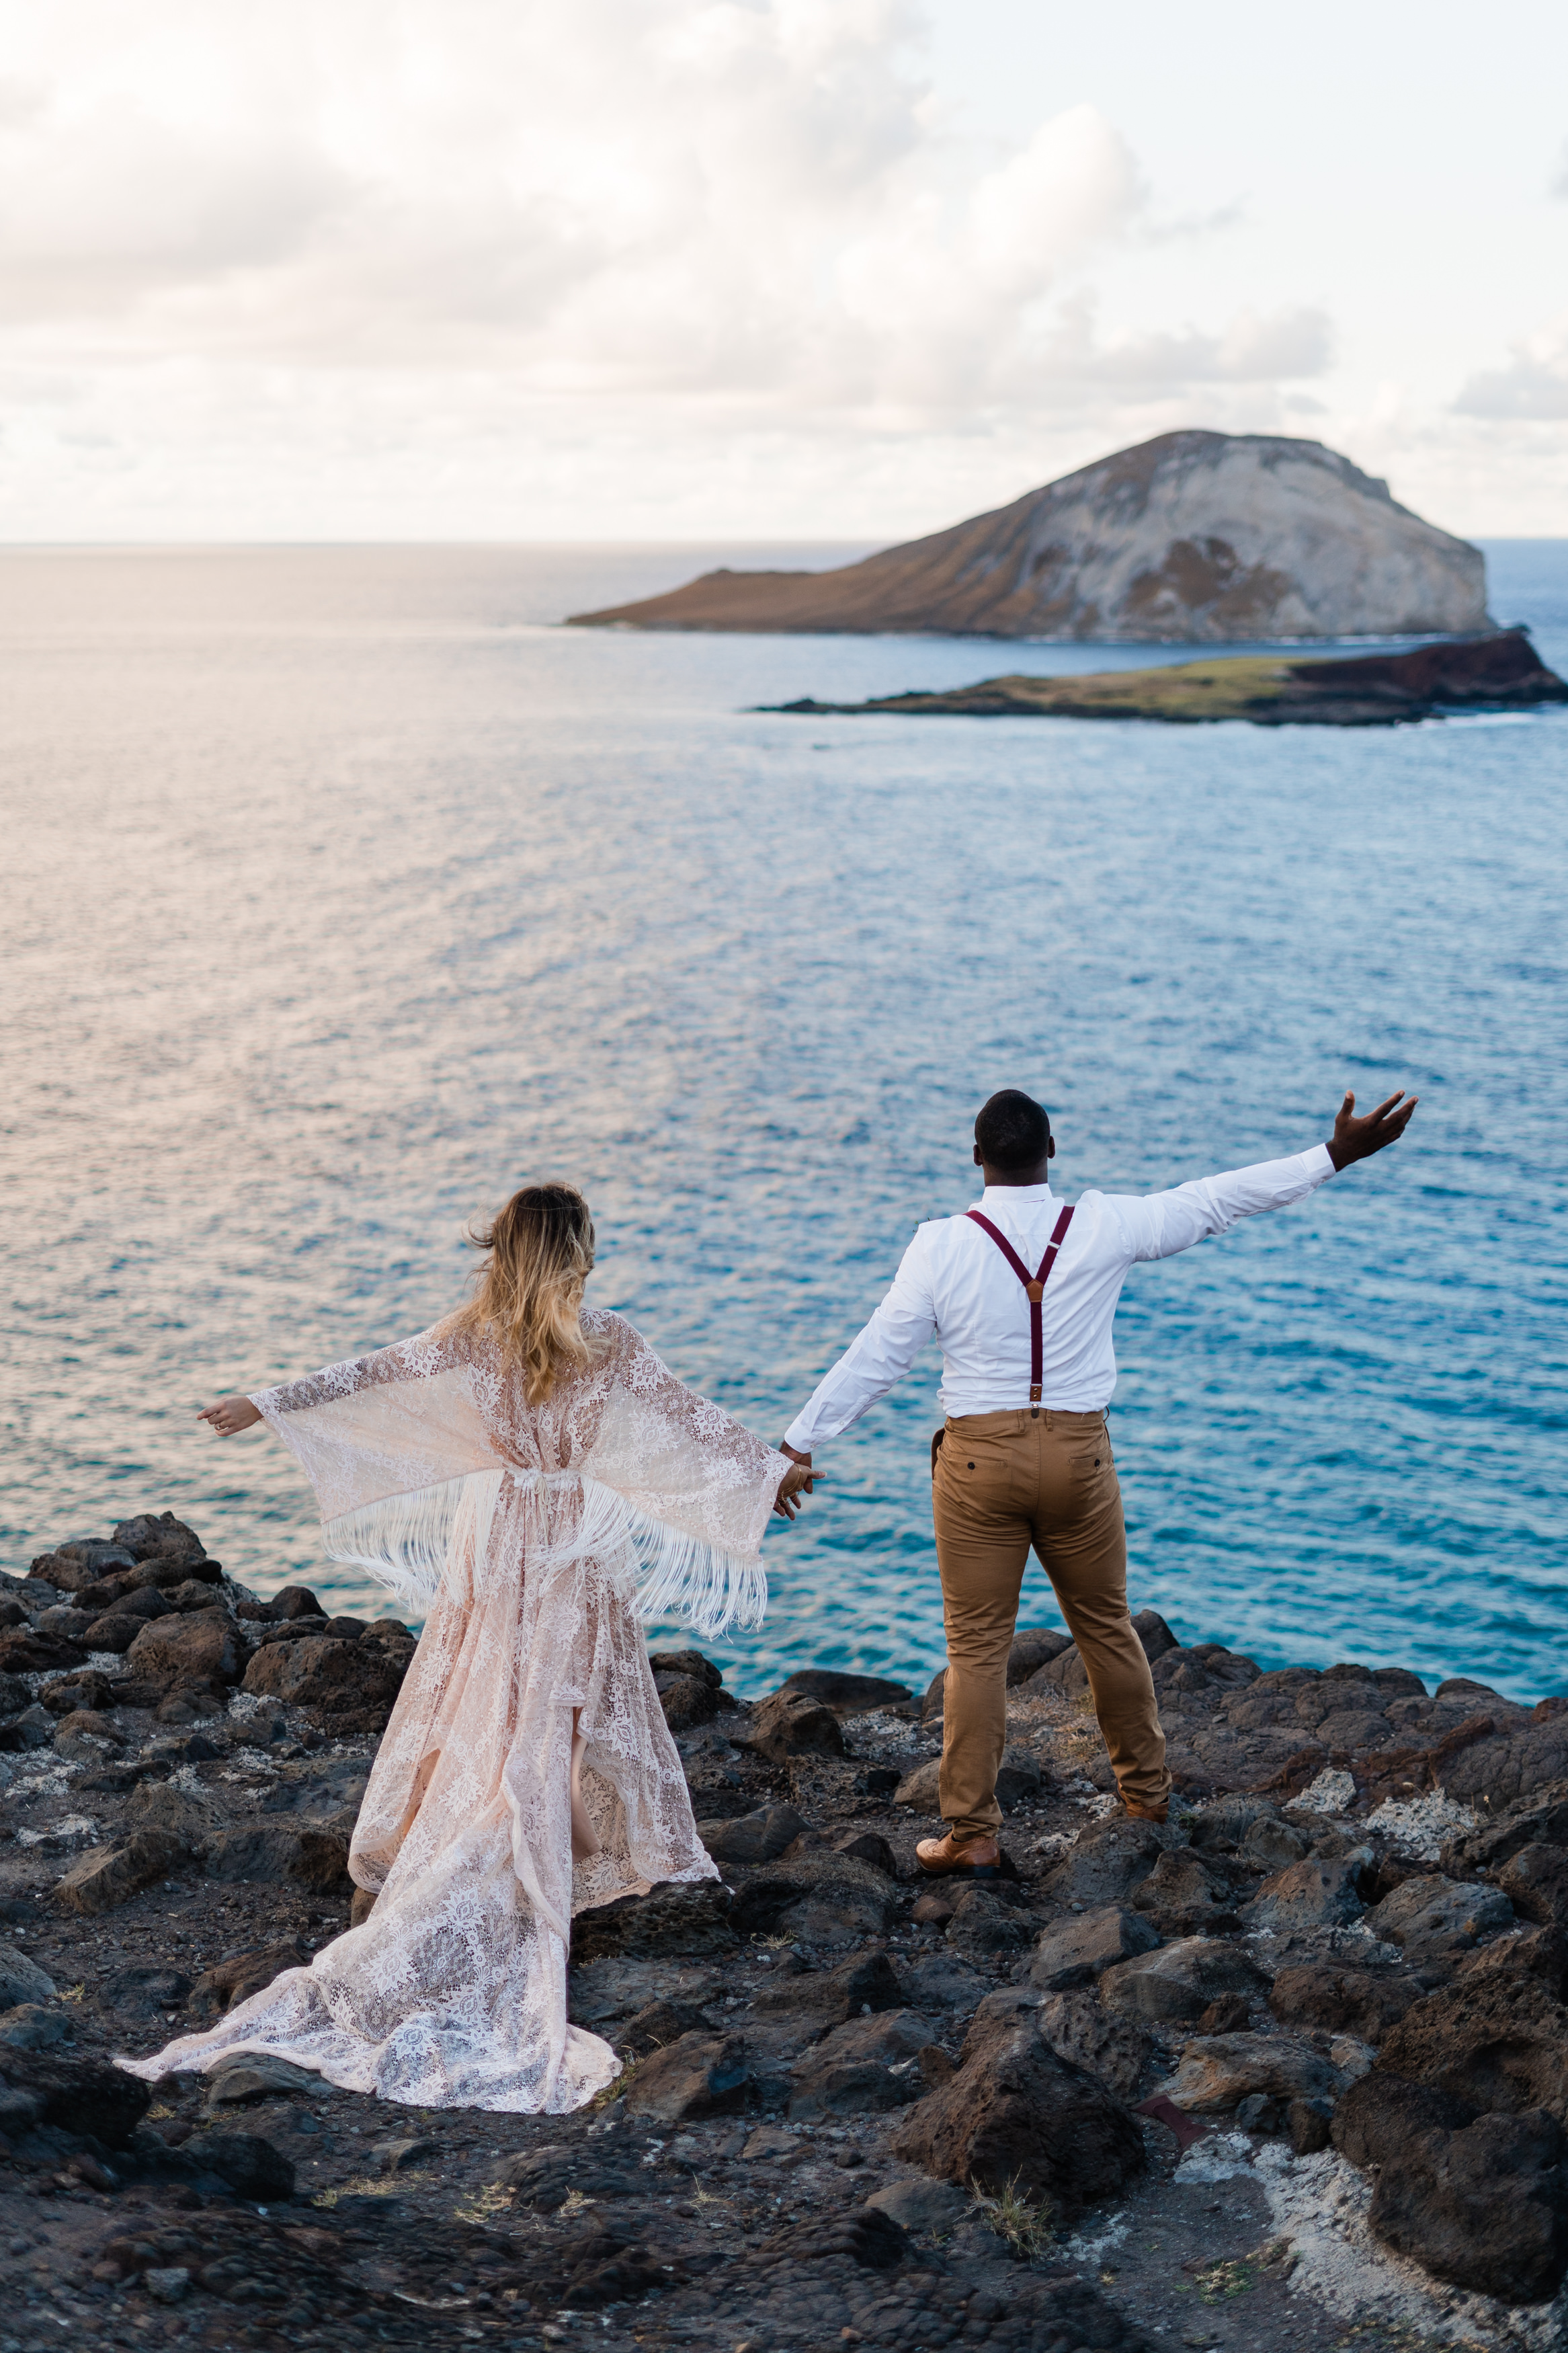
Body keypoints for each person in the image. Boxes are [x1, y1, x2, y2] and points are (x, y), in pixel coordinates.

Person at [119, 1183, 811, 2114]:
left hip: (497, 1530)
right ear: (575, 1254)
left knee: (497, 1681)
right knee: (577, 1683)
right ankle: (567, 1832)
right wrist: (765, 1478)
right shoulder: (608, 1341)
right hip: (566, 1527)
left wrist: (270, 1403)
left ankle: (516, 1819)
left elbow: (372, 1378)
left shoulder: (471, 1336)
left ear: (504, 1251)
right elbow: (690, 1425)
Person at [778, 1086, 1417, 1876]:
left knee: (976, 1651)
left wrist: (796, 1442)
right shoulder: (1102, 1223)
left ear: (976, 1159)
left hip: (976, 1464)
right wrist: (1334, 1155)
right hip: (1079, 1455)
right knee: (1106, 1626)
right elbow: (1216, 1199)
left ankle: (971, 1832)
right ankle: (1145, 1797)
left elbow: (879, 1355)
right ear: (1052, 1150)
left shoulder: (939, 1243)